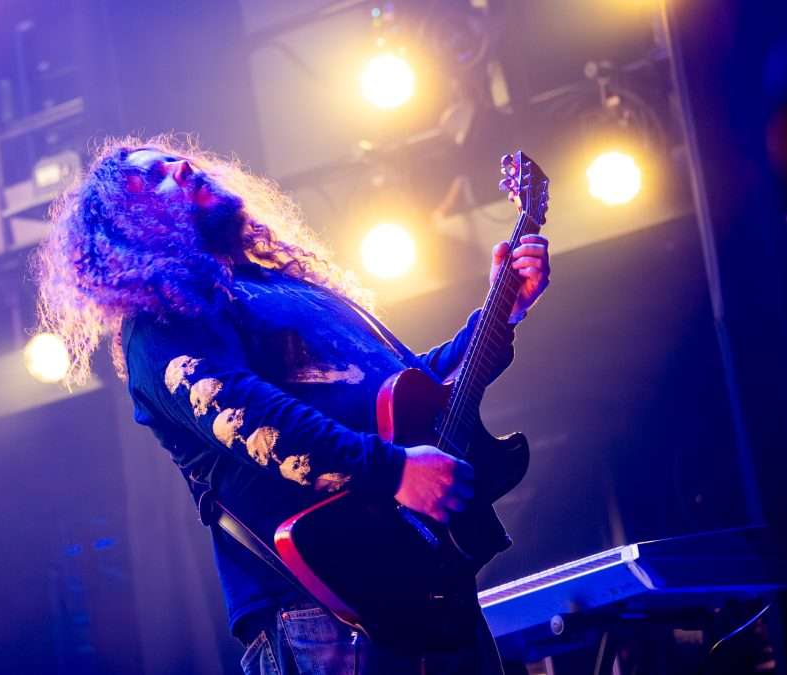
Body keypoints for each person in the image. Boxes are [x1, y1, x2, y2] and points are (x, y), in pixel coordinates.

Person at [33, 136, 550, 674]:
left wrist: (501, 311)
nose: (181, 166)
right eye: (154, 176)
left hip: (423, 579)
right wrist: (394, 470)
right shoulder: (162, 323)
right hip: (320, 606)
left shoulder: (280, 286)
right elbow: (253, 417)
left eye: (172, 158)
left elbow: (412, 387)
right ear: (129, 225)